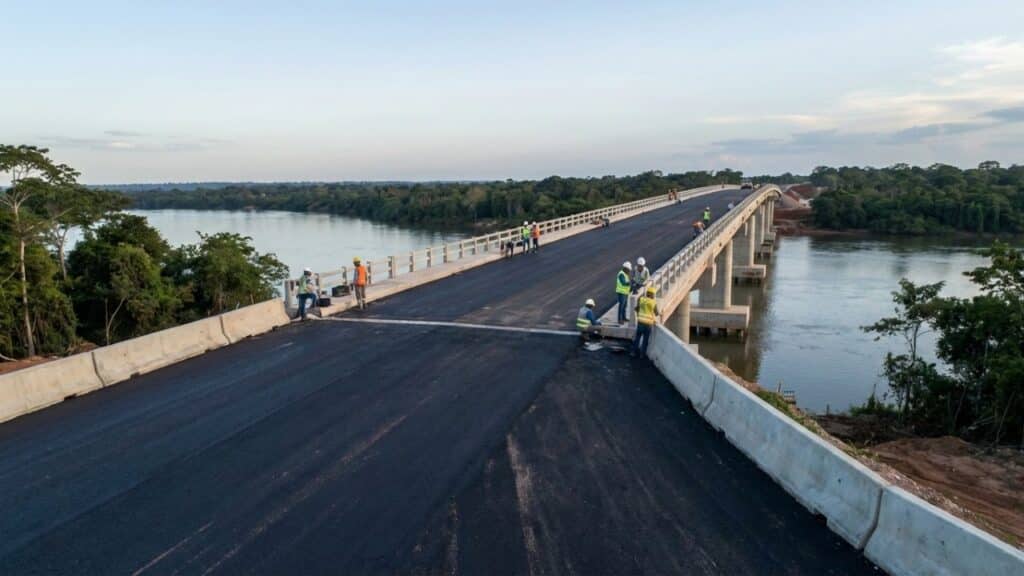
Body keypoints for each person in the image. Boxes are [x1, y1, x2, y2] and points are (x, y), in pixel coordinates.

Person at [632, 286, 659, 358]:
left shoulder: (641, 299)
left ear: (647, 293)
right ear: (652, 294)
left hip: (640, 322)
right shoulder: (653, 302)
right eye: (653, 294)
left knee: (637, 338)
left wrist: (639, 314)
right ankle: (642, 355)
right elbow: (656, 313)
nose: (654, 295)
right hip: (648, 324)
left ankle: (633, 352)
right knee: (645, 340)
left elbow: (636, 309)